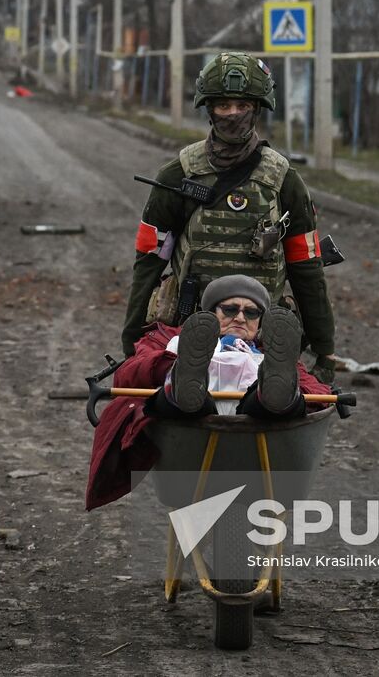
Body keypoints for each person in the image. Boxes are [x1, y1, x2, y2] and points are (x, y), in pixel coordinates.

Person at [123, 52, 336, 384]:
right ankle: (191, 373)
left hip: (260, 329)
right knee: (163, 374)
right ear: (209, 109)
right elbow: (149, 262)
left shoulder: (284, 181)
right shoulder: (178, 175)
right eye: (223, 106)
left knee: (280, 390)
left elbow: (307, 269)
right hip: (190, 326)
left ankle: (268, 381)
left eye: (242, 105)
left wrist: (325, 349)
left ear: (258, 108)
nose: (233, 114)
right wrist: (132, 340)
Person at [86, 276, 333, 511]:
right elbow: (127, 374)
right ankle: (183, 381)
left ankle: (277, 394)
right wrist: (168, 363)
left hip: (254, 415)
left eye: (251, 312)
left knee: (273, 398)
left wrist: (302, 394)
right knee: (189, 399)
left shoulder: (270, 352)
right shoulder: (173, 339)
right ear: (211, 313)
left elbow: (316, 390)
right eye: (229, 309)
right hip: (194, 418)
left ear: (260, 323)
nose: (239, 317)